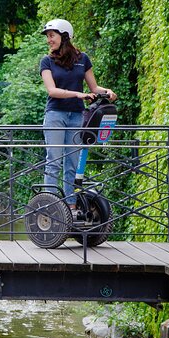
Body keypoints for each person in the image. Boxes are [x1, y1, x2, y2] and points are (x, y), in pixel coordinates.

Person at [40, 18, 116, 206]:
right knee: (54, 162)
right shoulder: (47, 61)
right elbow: (52, 91)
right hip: (55, 115)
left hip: (76, 116)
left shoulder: (83, 59)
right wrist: (79, 95)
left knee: (71, 164)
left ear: (65, 36)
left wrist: (107, 92)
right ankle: (52, 207)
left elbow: (94, 87)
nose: (49, 40)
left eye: (52, 36)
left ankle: (71, 205)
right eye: (48, 37)